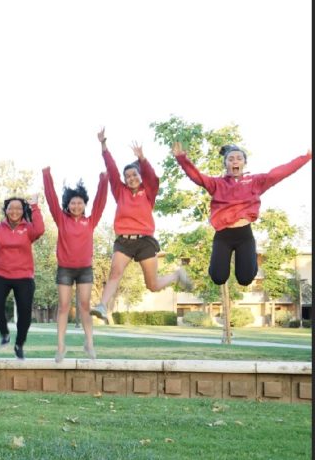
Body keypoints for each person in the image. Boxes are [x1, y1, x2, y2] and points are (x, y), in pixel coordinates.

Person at [173, 142, 312, 287]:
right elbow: (197, 177)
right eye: (231, 159)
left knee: (245, 280)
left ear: (244, 162)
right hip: (223, 236)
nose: (235, 161)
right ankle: (216, 264)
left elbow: (280, 172)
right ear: (225, 164)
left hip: (244, 235)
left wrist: (306, 157)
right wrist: (181, 158)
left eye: (239, 158)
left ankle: (251, 257)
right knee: (218, 278)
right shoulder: (217, 184)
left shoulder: (255, 181)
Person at [91, 128, 191, 322]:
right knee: (115, 272)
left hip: (145, 241)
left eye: (134, 175)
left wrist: (142, 159)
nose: (131, 178)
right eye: (127, 176)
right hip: (124, 241)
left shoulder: (149, 191)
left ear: (140, 175)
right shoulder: (120, 191)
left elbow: (151, 177)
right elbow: (111, 170)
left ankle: (176, 276)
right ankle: (102, 306)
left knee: (152, 285)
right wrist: (103, 145)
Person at [43, 167, 107, 362]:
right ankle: (61, 346)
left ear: (84, 205)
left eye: (80, 203)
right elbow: (52, 199)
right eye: (73, 203)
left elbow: (100, 203)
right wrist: (47, 176)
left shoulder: (91, 220)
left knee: (85, 306)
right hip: (65, 270)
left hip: (85, 270)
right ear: (68, 204)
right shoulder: (61, 219)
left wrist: (103, 181)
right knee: (63, 306)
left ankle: (89, 343)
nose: (76, 206)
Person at [0, 196, 45, 360]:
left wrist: (35, 207)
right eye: (11, 208)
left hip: (24, 276)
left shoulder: (28, 228)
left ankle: (19, 344)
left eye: (18, 208)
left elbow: (40, 230)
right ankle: (4, 334)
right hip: (0, 274)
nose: (14, 211)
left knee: (25, 313)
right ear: (6, 210)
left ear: (23, 210)